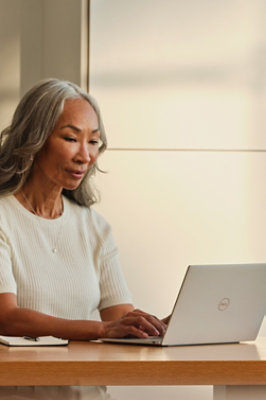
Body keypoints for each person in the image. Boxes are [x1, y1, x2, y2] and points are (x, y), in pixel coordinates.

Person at [0, 78, 167, 341]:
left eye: (93, 142)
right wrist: (101, 329)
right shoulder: (4, 218)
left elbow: (120, 319)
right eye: (71, 138)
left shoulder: (94, 227)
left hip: (86, 382)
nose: (85, 156)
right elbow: (7, 318)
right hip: (18, 382)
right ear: (34, 138)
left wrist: (156, 326)